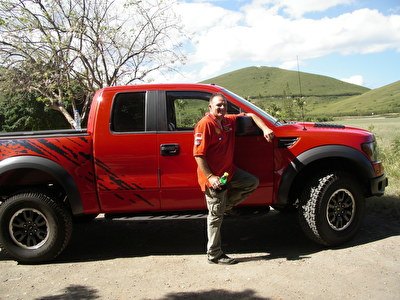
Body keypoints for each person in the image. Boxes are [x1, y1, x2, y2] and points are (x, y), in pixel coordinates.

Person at [193, 92, 274, 265]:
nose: (222, 108)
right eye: (218, 105)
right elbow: (198, 155)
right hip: (214, 178)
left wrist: (265, 128)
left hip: (229, 173)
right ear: (210, 107)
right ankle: (214, 254)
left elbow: (251, 115)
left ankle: (226, 207)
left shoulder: (228, 120)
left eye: (224, 105)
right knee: (215, 217)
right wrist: (210, 177)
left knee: (251, 182)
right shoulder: (205, 125)